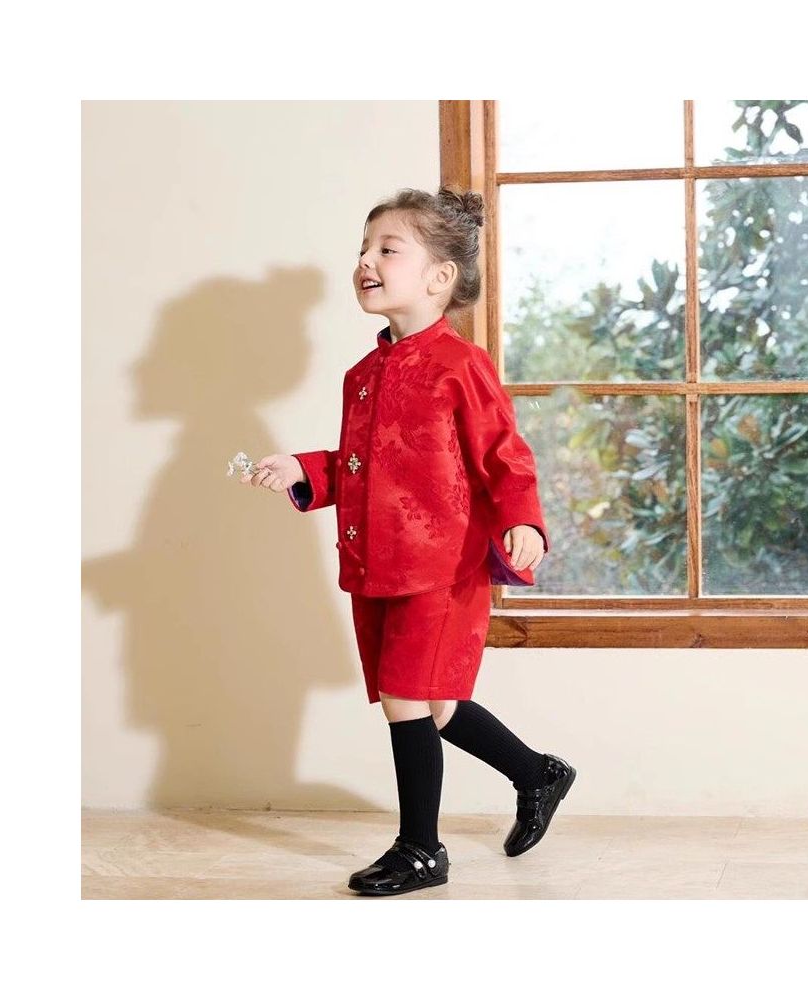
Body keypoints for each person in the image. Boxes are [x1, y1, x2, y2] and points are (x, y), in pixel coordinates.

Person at [240, 186, 576, 896]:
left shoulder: (462, 366)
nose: (365, 261)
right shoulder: (361, 377)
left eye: (387, 249)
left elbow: (506, 456)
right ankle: (537, 773)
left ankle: (421, 849)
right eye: (362, 250)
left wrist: (522, 519)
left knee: (405, 697)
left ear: (439, 276)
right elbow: (365, 465)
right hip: (376, 561)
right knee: (437, 705)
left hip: (441, 566)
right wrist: (304, 469)